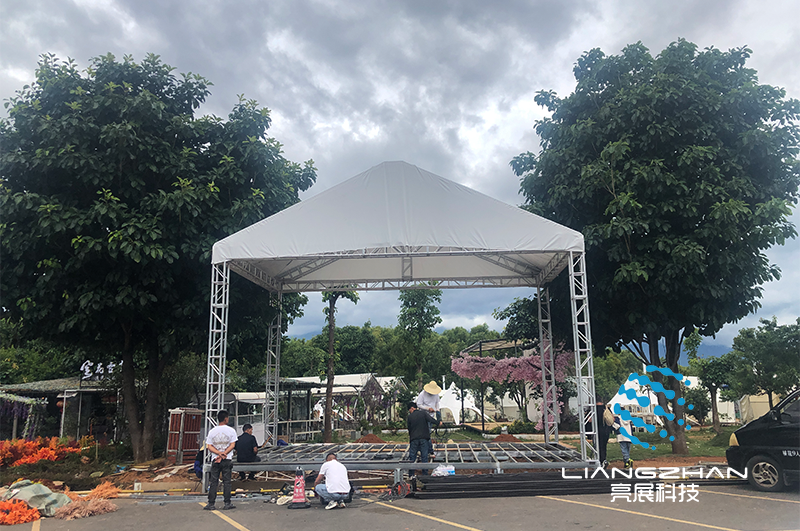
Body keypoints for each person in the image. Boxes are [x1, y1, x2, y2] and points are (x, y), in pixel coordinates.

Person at [203, 410, 238, 511]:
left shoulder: (212, 431)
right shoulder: (231, 431)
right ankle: (227, 503)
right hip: (227, 459)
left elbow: (209, 446)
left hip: (215, 459)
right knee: (227, 482)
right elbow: (232, 445)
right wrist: (224, 453)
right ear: (226, 419)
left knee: (214, 481)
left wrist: (218, 453)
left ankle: (211, 503)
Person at [406, 401, 441, 475]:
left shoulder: (410, 417)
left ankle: (411, 475)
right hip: (424, 439)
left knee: (412, 457)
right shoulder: (423, 413)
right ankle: (425, 475)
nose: (410, 412)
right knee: (424, 457)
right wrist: (438, 422)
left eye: (409, 410)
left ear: (412, 408)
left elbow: (409, 429)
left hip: (414, 439)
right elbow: (431, 420)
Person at [416, 381, 442, 455]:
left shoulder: (436, 395)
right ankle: (428, 450)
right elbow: (419, 404)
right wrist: (428, 408)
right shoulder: (422, 394)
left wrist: (439, 417)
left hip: (431, 416)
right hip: (423, 417)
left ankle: (426, 450)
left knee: (428, 434)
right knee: (425, 434)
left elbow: (437, 405)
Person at [595, 400, 613, 468]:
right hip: (606, 430)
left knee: (597, 446)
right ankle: (604, 460)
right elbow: (612, 419)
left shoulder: (593, 409)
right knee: (603, 446)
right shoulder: (606, 408)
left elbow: (589, 420)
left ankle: (599, 460)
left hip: (597, 431)